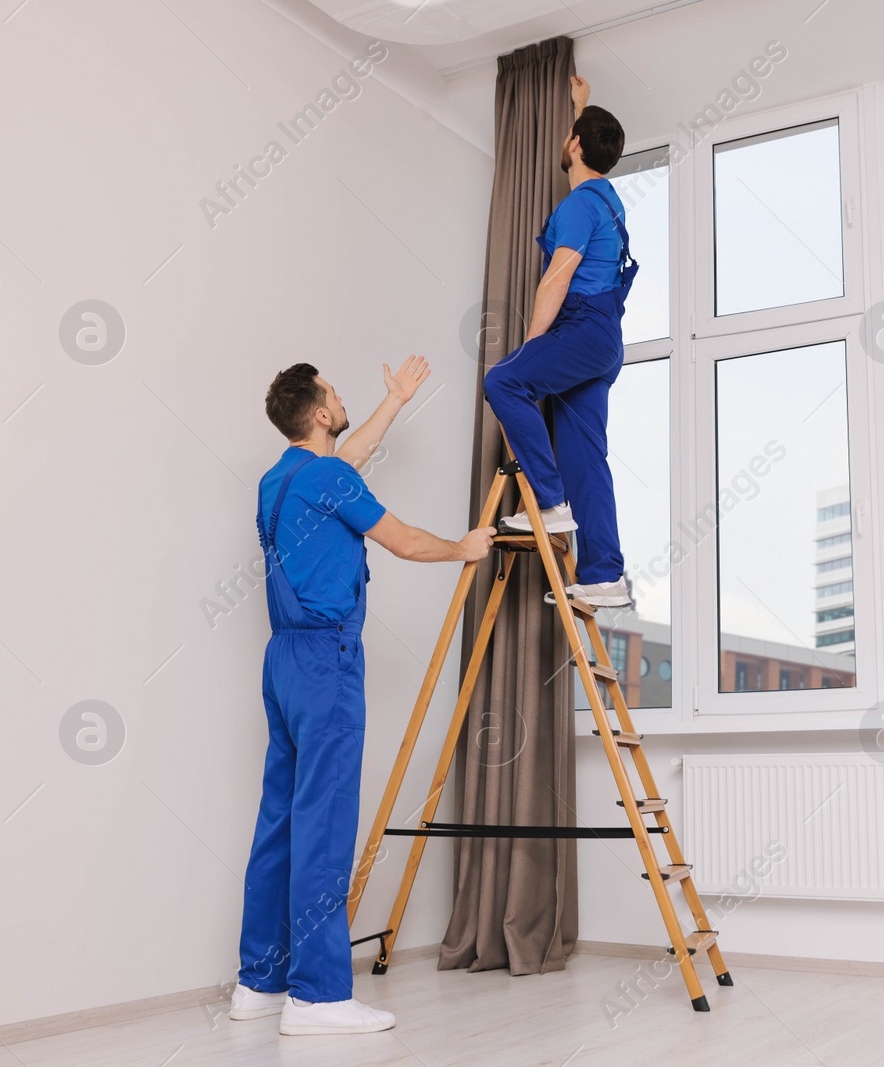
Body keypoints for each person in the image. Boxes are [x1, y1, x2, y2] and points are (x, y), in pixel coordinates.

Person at [229, 358, 496, 1036]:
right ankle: (317, 996)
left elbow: (348, 455)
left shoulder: (281, 479)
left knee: (283, 820)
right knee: (325, 824)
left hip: (282, 661)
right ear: (319, 411)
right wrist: (464, 547)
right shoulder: (330, 477)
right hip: (327, 661)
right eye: (335, 395)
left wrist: (393, 401)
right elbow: (403, 541)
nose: (341, 400)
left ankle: (259, 983)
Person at [483, 74, 638, 608]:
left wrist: (531, 348)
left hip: (581, 330)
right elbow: (592, 138)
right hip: (604, 342)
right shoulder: (610, 203)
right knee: (586, 455)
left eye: (571, 133)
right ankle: (604, 574)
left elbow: (557, 278)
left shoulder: (578, 205)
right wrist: (582, 106)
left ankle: (549, 505)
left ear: (574, 145)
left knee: (503, 380)